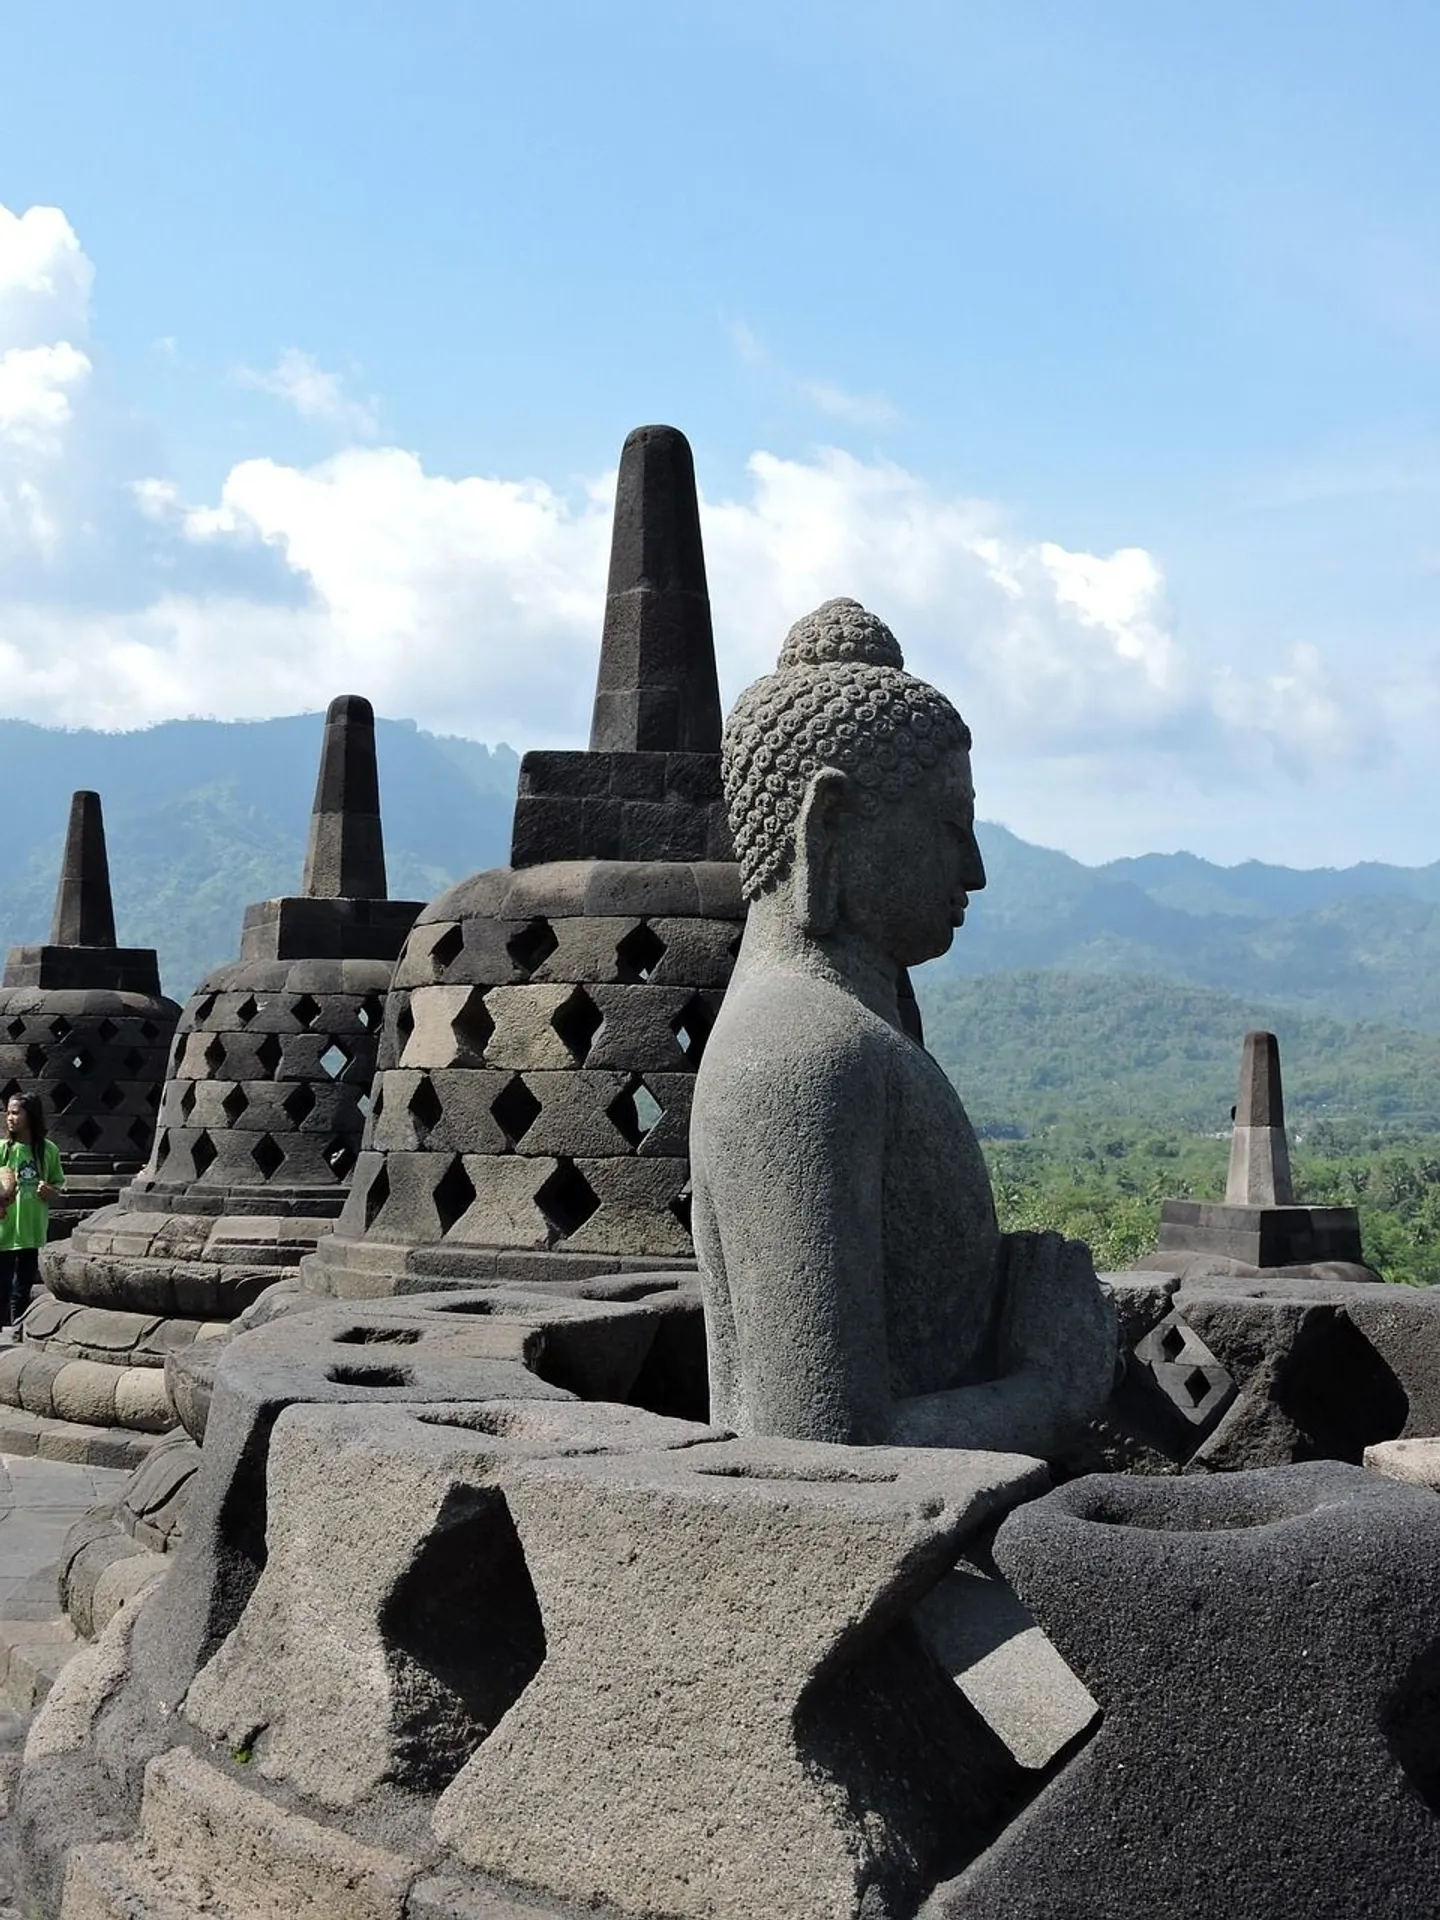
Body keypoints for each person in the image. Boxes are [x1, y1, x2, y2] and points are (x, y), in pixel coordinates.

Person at [690, 598, 1117, 1455]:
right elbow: (815, 1449)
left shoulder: (838, 1036)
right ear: (832, 823)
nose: (976, 870)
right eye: (949, 828)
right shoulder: (805, 1057)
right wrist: (1057, 1383)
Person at [0, 1091, 65, 1330]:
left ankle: (17, 1325)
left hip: (32, 1227)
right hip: (5, 1226)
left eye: (16, 1113)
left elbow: (58, 1183)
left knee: (24, 1282)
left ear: (31, 1116)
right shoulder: (3, 1149)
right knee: (3, 1281)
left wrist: (50, 1191)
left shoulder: (49, 1151)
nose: (10, 1118)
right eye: (8, 1113)